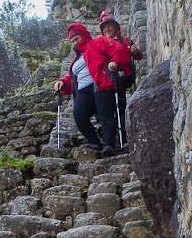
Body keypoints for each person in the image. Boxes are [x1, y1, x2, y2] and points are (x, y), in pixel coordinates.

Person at [54, 22, 131, 157]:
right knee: (79, 115)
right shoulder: (76, 59)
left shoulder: (98, 42)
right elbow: (72, 77)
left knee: (104, 114)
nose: (75, 44)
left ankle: (109, 145)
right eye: (72, 41)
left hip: (102, 84)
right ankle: (94, 142)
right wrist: (62, 83)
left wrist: (115, 62)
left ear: (84, 35)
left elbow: (118, 49)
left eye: (76, 39)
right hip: (83, 90)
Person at [97, 10, 142, 145]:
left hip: (123, 79)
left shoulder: (126, 41)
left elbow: (138, 56)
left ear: (116, 27)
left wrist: (135, 51)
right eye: (104, 27)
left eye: (109, 26)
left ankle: (123, 131)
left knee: (121, 104)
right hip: (108, 80)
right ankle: (115, 132)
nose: (106, 29)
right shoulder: (101, 44)